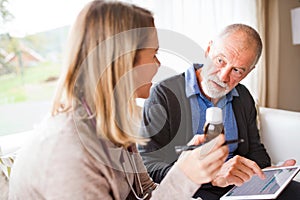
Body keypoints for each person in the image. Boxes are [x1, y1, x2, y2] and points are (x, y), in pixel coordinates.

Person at [8, 1, 229, 199]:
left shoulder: (111, 126)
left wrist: (190, 167)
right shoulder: (67, 153)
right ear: (124, 62)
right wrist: (184, 176)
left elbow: (146, 193)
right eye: (154, 53)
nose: (159, 64)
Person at [139, 23, 300, 199]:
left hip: (239, 188)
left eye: (237, 70)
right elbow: (148, 164)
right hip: (194, 191)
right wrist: (211, 177)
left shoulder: (243, 96)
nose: (223, 76)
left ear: (248, 72)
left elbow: (256, 150)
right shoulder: (164, 94)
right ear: (208, 50)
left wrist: (264, 173)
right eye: (220, 60)